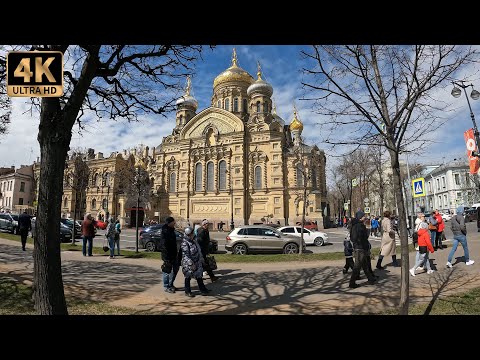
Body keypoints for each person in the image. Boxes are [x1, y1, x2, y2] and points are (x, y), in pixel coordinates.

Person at [349, 210, 377, 288]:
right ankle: (352, 282)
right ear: (360, 217)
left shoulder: (356, 225)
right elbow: (360, 237)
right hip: (360, 248)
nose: (365, 217)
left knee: (364, 264)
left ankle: (370, 279)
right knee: (358, 265)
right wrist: (366, 232)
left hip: (360, 247)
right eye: (363, 216)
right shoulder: (359, 226)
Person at [181, 227, 211, 297]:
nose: (194, 234)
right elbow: (186, 255)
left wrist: (201, 259)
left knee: (199, 276)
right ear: (189, 234)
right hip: (188, 264)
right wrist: (191, 264)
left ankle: (203, 290)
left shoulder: (194, 241)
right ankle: (187, 291)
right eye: (192, 233)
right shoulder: (185, 243)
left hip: (197, 262)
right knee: (188, 277)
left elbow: (199, 251)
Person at [159, 216, 180, 293]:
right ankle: (166, 286)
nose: (174, 223)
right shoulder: (165, 232)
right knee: (167, 271)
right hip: (167, 255)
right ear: (169, 223)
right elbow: (163, 245)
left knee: (175, 269)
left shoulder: (172, 230)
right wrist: (167, 257)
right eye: (173, 222)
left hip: (174, 254)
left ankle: (171, 284)